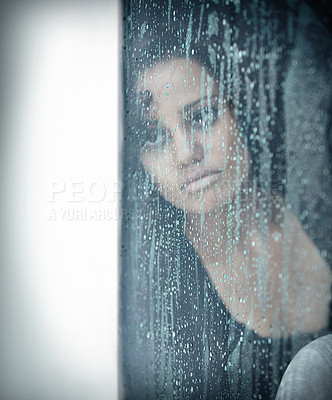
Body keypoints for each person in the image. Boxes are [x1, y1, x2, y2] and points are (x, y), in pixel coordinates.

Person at [120, 1, 332, 399]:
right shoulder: (164, 289)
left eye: (202, 116)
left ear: (244, 111)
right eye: (154, 137)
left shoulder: (316, 204)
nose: (186, 153)